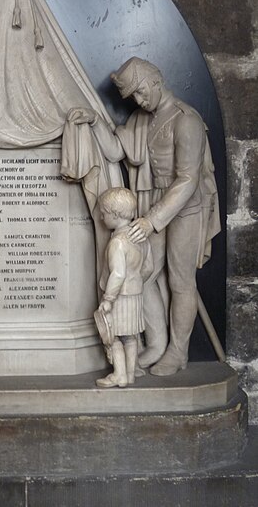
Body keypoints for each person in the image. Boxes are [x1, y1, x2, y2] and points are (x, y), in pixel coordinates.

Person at [67, 57, 220, 376]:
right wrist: (94, 121)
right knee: (145, 272)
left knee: (180, 281)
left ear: (155, 80)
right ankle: (157, 344)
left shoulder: (185, 120)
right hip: (151, 203)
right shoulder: (142, 120)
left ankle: (178, 352)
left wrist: (152, 219)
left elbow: (188, 179)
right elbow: (115, 151)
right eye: (132, 96)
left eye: (139, 92)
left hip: (183, 206)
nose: (138, 100)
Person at [95, 188, 153, 388]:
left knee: (114, 338)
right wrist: (136, 282)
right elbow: (149, 268)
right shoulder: (141, 239)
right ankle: (130, 373)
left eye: (104, 214)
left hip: (119, 296)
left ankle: (119, 375)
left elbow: (117, 273)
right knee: (131, 337)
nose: (102, 218)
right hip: (135, 294)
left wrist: (108, 299)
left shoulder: (117, 242)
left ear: (115, 215)